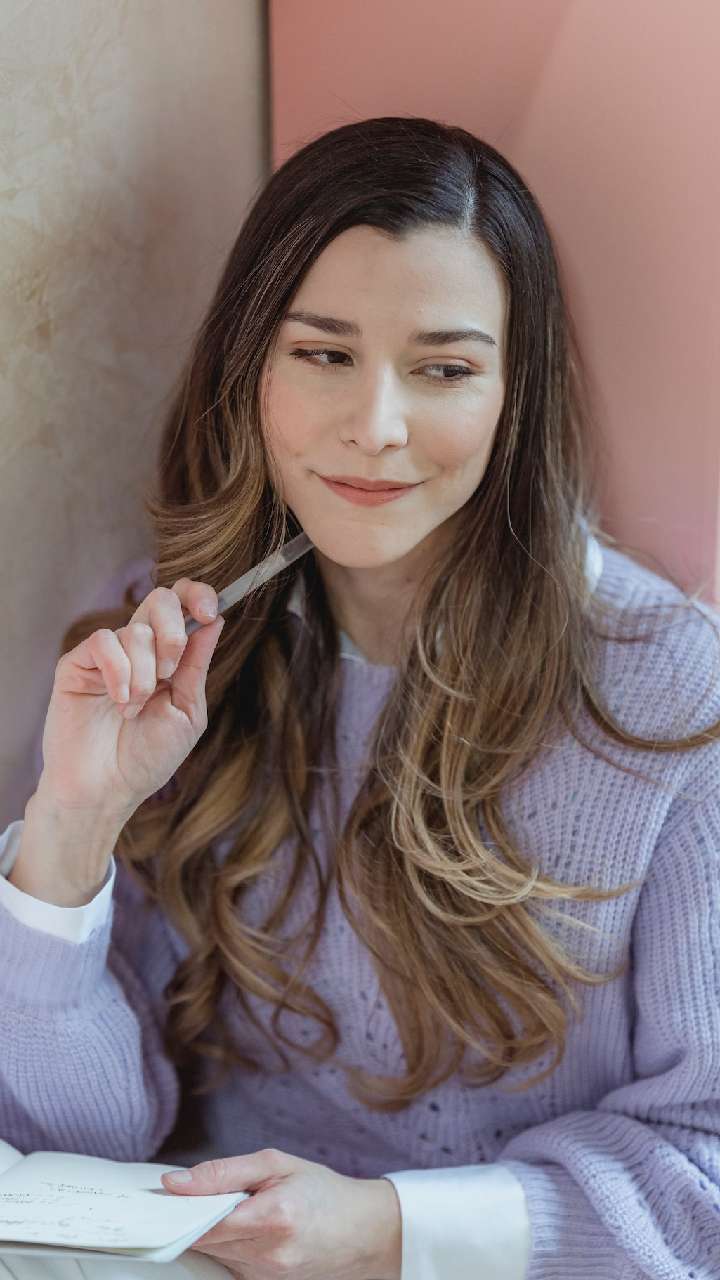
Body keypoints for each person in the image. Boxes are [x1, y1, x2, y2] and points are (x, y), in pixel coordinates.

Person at [1, 115, 719, 1280]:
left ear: (515, 394)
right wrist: (71, 825)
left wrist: (388, 1229)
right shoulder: (168, 650)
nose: (375, 428)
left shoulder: (674, 694)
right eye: (324, 354)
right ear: (250, 365)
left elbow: (705, 1177)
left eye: (444, 368)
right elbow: (73, 1152)